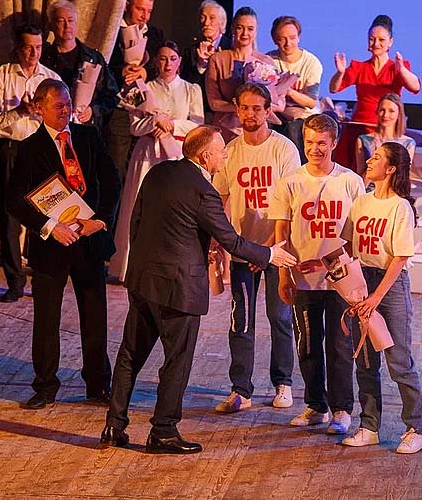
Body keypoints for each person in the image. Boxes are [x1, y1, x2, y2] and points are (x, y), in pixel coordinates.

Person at [100, 125, 298, 454]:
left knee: (129, 355)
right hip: (179, 289)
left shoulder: (159, 173)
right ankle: (163, 431)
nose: (225, 155)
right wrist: (269, 255)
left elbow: (137, 221)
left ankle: (113, 426)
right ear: (205, 156)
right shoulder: (204, 191)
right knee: (176, 361)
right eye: (221, 151)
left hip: (143, 280)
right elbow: (230, 240)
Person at [5, 79, 121, 410]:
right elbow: (14, 200)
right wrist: (50, 227)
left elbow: (112, 182)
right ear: (39, 108)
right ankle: (45, 386)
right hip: (51, 246)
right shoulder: (29, 148)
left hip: (88, 240)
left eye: (68, 104)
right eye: (59, 106)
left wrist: (100, 221)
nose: (66, 111)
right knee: (46, 321)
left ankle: (98, 384)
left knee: (95, 316)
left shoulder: (88, 137)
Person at [269, 113, 364, 434]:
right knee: (308, 344)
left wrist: (337, 266)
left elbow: (356, 232)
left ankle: (342, 409)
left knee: (339, 346)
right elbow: (281, 231)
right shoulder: (290, 182)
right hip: (303, 280)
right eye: (309, 142)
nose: (314, 149)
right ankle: (315, 405)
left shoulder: (350, 181)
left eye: (321, 143)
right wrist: (284, 276)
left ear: (334, 143)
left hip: (340, 281)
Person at [211, 83, 300, 413]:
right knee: (241, 321)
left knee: (280, 317)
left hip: (277, 249)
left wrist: (266, 249)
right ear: (237, 109)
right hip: (241, 250)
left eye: (256, 108)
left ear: (268, 111)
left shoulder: (284, 149)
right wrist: (221, 243)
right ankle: (241, 390)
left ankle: (283, 383)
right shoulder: (230, 151)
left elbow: (292, 202)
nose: (250, 114)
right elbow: (219, 199)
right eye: (244, 107)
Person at [339, 141, 422, 454]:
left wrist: (376, 297)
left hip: (390, 286)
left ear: (390, 169)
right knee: (364, 360)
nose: (369, 160)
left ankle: (415, 428)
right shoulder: (361, 202)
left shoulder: (400, 207)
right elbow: (348, 244)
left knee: (399, 361)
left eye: (376, 158)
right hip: (362, 281)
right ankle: (369, 426)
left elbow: (400, 257)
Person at [108, 41, 204, 282]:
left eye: (172, 58)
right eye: (162, 58)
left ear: (179, 62)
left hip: (176, 152)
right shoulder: (145, 88)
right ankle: (130, 267)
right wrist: (154, 122)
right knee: (139, 205)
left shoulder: (191, 89)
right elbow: (134, 126)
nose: (168, 64)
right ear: (155, 61)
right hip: (148, 154)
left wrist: (171, 125)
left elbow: (197, 124)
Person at [0, 24, 61, 303]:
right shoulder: (2, 76)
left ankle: (43, 279)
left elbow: (65, 118)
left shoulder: (50, 78)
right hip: (11, 149)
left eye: (38, 48)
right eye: (28, 47)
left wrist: (47, 115)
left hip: (41, 151)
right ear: (17, 47)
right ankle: (15, 282)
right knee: (10, 218)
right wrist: (18, 111)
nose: (33, 53)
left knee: (44, 214)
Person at [329, 15, 420, 172]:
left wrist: (402, 70)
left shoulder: (397, 67)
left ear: (390, 42)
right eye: (372, 39)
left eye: (381, 40)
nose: (376, 44)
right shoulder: (359, 67)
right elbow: (334, 88)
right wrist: (340, 72)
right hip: (359, 126)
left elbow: (416, 87)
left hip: (386, 125)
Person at [106, 0, 167, 183]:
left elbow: (161, 64)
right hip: (120, 110)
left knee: (142, 169)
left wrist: (145, 71)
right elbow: (102, 65)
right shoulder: (112, 32)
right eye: (140, 9)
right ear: (127, 6)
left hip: (146, 110)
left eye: (149, 11)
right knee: (117, 169)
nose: (145, 16)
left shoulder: (155, 35)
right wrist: (121, 71)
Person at [41, 0, 119, 136]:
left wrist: (93, 110)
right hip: (52, 130)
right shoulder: (43, 59)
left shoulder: (94, 58)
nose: (67, 26)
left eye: (71, 20)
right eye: (60, 21)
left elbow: (112, 95)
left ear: (76, 24)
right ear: (51, 26)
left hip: (86, 130)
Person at [206, 6, 278, 142]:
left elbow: (276, 100)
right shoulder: (217, 59)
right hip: (225, 129)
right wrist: (240, 109)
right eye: (240, 28)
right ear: (232, 28)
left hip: (257, 129)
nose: (245, 33)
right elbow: (213, 102)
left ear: (256, 32)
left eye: (250, 29)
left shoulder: (266, 62)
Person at [267, 15, 323, 162]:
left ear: (299, 37)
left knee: (294, 129)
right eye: (282, 39)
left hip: (304, 116)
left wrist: (287, 90)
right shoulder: (269, 60)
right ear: (275, 40)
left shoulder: (311, 62)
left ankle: (299, 169)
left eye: (292, 38)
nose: (288, 43)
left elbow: (310, 102)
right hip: (277, 114)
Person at [180, 0, 231, 118]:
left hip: (226, 112)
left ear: (222, 22)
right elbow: (185, 85)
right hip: (199, 112)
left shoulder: (231, 48)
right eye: (203, 18)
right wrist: (200, 66)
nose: (206, 23)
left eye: (212, 18)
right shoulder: (190, 51)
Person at [355, 93, 415, 184]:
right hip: (369, 190)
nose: (385, 115)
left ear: (399, 114)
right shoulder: (364, 140)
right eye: (382, 110)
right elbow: (361, 182)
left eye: (391, 111)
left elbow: (402, 180)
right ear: (377, 112)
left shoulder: (408, 143)